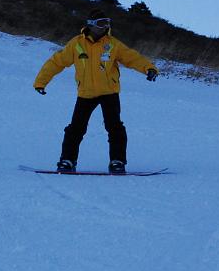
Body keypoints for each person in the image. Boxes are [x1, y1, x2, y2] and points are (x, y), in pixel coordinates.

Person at [33, 11, 159, 173]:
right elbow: (56, 62)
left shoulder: (112, 44)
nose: (105, 26)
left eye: (107, 22)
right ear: (91, 24)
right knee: (75, 129)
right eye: (101, 23)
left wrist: (149, 68)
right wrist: (41, 82)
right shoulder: (76, 44)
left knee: (115, 127)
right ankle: (67, 161)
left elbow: (132, 57)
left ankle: (117, 161)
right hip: (86, 93)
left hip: (109, 92)